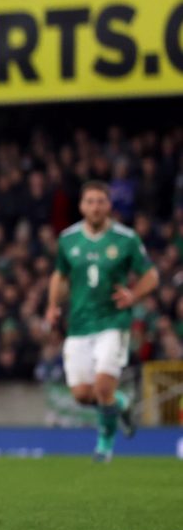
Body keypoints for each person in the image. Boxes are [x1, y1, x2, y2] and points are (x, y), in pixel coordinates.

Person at [44, 181, 159, 462]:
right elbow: (60, 275)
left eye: (101, 201)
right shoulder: (68, 239)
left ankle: (104, 445)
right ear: (82, 206)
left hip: (113, 322)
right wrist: (52, 305)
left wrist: (133, 294)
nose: (95, 207)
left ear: (109, 206)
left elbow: (151, 276)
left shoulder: (126, 238)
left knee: (103, 387)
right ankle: (122, 403)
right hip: (79, 324)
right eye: (90, 201)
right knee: (83, 395)